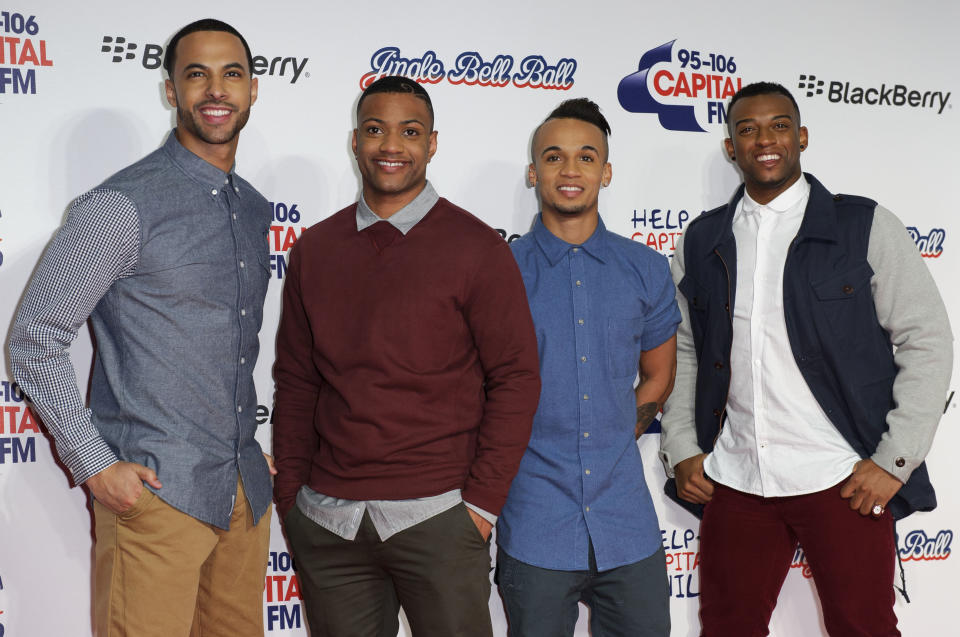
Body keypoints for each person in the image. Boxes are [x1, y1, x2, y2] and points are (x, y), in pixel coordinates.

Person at [8, 18, 273, 637]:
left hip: (243, 496)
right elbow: (34, 338)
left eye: (231, 74)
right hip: (159, 494)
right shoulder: (121, 204)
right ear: (170, 89)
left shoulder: (254, 207)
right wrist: (94, 463)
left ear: (253, 89)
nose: (216, 90)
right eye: (196, 74)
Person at [659, 81, 953, 636]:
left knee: (863, 628)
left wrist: (895, 460)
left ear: (802, 137)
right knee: (727, 629)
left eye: (779, 125)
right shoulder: (702, 240)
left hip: (843, 478)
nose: (764, 139)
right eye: (747, 129)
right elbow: (684, 348)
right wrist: (681, 447)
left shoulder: (862, 225)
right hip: (738, 477)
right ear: (731, 147)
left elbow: (927, 340)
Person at [272, 75, 541, 637]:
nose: (391, 146)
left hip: (439, 518)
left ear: (432, 144)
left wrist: (481, 507)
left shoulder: (477, 247)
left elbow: (516, 378)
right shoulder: (315, 250)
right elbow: (297, 383)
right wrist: (292, 500)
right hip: (329, 522)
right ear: (354, 142)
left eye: (409, 132)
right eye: (375, 130)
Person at [495, 98, 678, 637]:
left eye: (585, 157)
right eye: (554, 157)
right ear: (534, 172)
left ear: (606, 170)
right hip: (533, 518)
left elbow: (660, 376)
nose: (570, 170)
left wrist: (625, 429)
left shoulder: (645, 267)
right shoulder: (501, 271)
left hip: (627, 521)